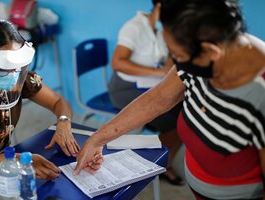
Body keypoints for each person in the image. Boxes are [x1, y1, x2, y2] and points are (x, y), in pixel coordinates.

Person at [75, 0, 265, 199]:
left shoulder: (259, 93)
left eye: (177, 55)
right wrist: (97, 139)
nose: (174, 63)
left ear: (210, 52)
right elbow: (158, 98)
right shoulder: (204, 50)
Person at [0, 20, 80, 180]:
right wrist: (18, 161)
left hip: (5, 163)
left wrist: (64, 123)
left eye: (16, 66)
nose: (13, 73)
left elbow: (58, 102)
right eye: (4, 67)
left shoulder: (17, 75)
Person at [108, 0, 184, 185]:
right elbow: (117, 63)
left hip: (149, 84)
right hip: (125, 88)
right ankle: (153, 163)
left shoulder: (162, 30)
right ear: (159, 7)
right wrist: (158, 73)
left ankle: (161, 159)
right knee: (175, 121)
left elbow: (166, 62)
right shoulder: (134, 27)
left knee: (186, 111)